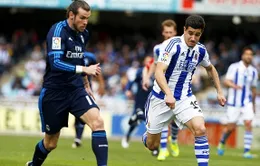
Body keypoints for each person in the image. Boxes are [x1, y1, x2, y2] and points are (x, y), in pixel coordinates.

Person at [26, 1, 108, 166]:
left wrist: (85, 84)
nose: (85, 22)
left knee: (98, 122)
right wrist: (85, 70)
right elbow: (56, 63)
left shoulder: (84, 34)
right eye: (82, 18)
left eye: (88, 18)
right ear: (71, 15)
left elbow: (79, 58)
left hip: (76, 90)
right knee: (50, 143)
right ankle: (34, 164)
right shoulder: (57, 31)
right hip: (54, 92)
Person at [142, 15, 226, 166]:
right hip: (161, 98)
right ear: (184, 30)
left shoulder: (200, 50)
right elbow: (159, 71)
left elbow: (210, 68)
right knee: (152, 145)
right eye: (190, 33)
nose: (193, 38)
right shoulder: (172, 45)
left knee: (200, 128)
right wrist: (168, 94)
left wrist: (219, 91)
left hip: (184, 98)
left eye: (197, 34)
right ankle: (147, 137)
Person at [142, 19, 180, 160]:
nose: (169, 35)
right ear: (163, 33)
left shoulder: (182, 45)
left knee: (176, 120)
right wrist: (147, 77)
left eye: (171, 32)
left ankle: (174, 140)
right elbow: (155, 64)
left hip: (179, 87)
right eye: (166, 32)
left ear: (175, 32)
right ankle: (163, 149)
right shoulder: (158, 48)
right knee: (162, 119)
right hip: (163, 87)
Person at [217, 47, 258, 159]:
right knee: (230, 127)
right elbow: (226, 81)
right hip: (234, 103)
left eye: (251, 54)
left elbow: (253, 88)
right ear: (242, 56)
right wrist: (234, 86)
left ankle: (246, 151)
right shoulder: (234, 67)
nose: (249, 56)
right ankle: (222, 142)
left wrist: (254, 105)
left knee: (249, 124)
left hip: (247, 102)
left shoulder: (254, 71)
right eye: (247, 54)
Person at [72, 51, 106, 148]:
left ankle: (78, 138)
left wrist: (102, 85)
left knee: (84, 113)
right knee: (77, 117)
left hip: (84, 88)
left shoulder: (90, 57)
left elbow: (97, 71)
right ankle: (77, 135)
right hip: (71, 88)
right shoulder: (69, 54)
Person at [121, 56, 153, 149]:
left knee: (149, 121)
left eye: (150, 61)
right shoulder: (140, 72)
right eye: (147, 61)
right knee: (141, 122)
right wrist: (128, 90)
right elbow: (131, 82)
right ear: (144, 62)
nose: (148, 63)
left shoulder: (155, 73)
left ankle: (151, 143)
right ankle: (127, 136)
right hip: (139, 100)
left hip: (150, 101)